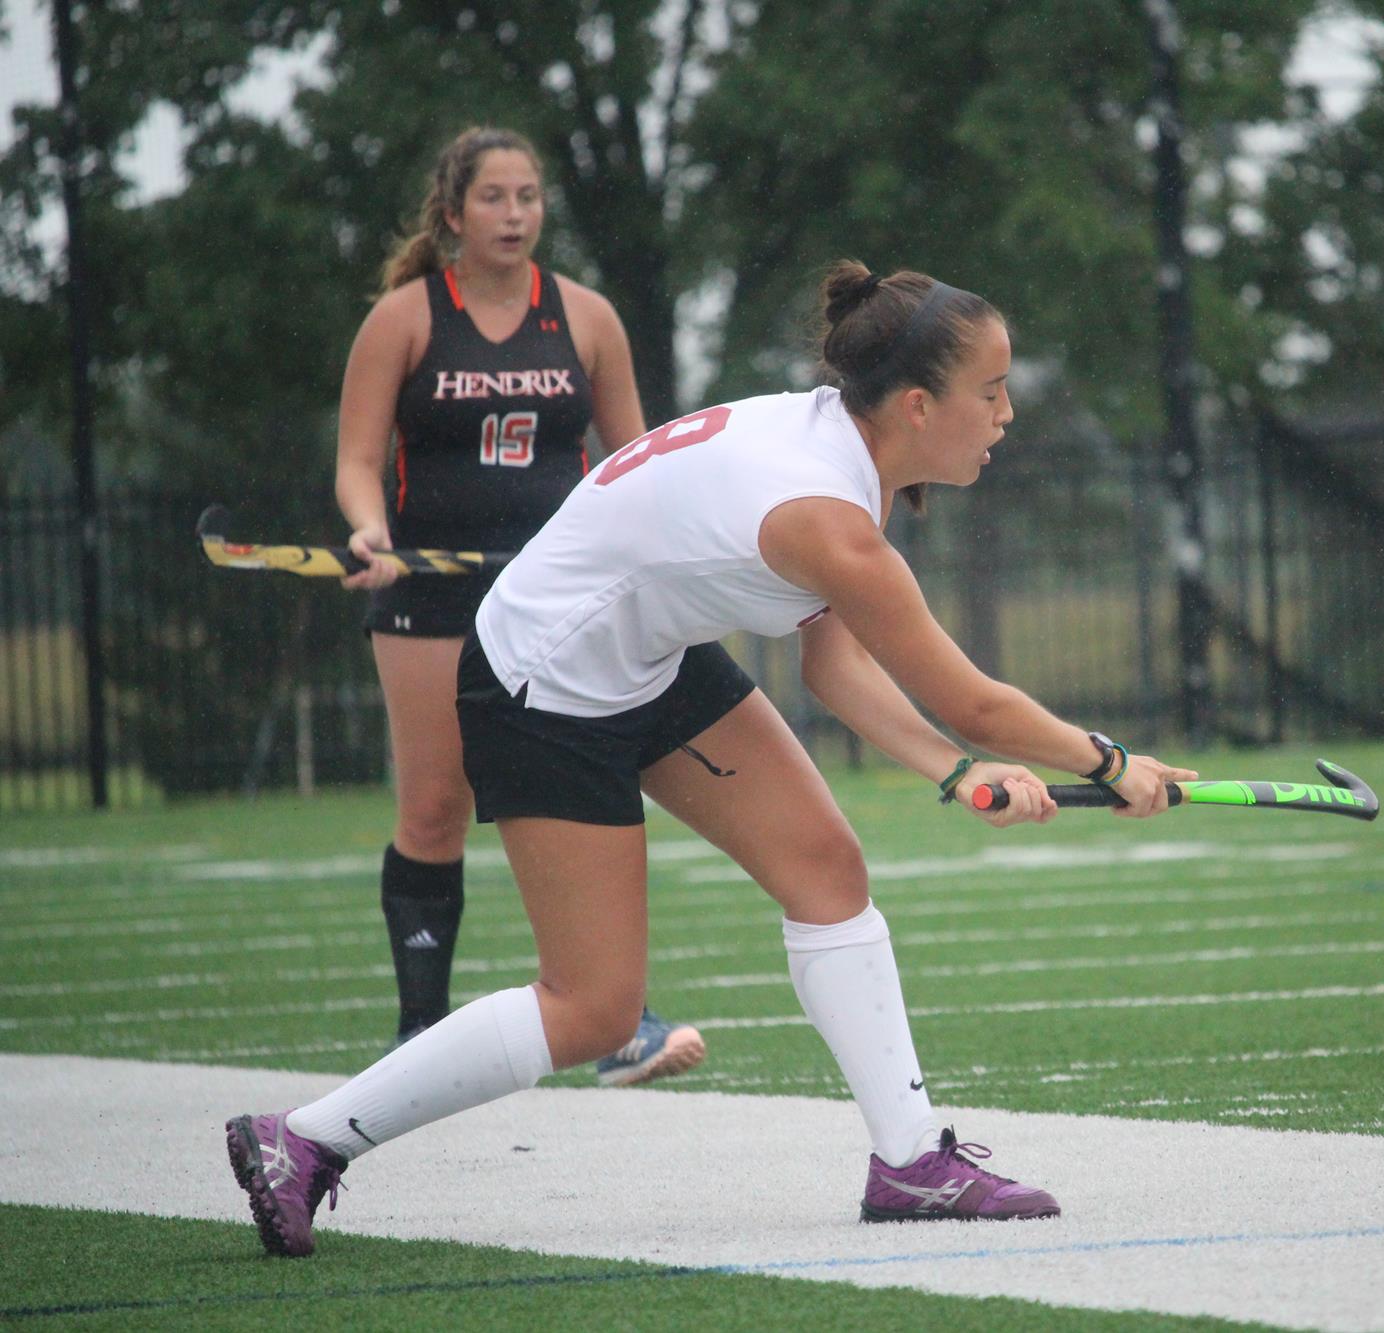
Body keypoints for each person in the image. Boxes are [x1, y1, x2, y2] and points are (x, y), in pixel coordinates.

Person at [226, 260, 1197, 1256]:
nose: (1004, 416)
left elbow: (834, 667)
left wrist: (949, 773)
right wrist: (1114, 762)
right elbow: (969, 698)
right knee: (593, 1007)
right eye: (990, 394)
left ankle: (910, 1160)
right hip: (541, 683)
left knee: (826, 869)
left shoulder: (840, 458)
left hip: (642, 658)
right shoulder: (826, 515)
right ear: (915, 405)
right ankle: (299, 1141)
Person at [334, 125, 702, 1085]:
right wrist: (369, 532)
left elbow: (640, 461)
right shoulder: (405, 319)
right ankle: (419, 1030)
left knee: (581, 789)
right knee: (435, 808)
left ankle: (615, 1017)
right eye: (494, 198)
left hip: (561, 604)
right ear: (453, 214)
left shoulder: (585, 318)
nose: (514, 214)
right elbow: (359, 460)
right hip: (430, 597)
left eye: (529, 197)